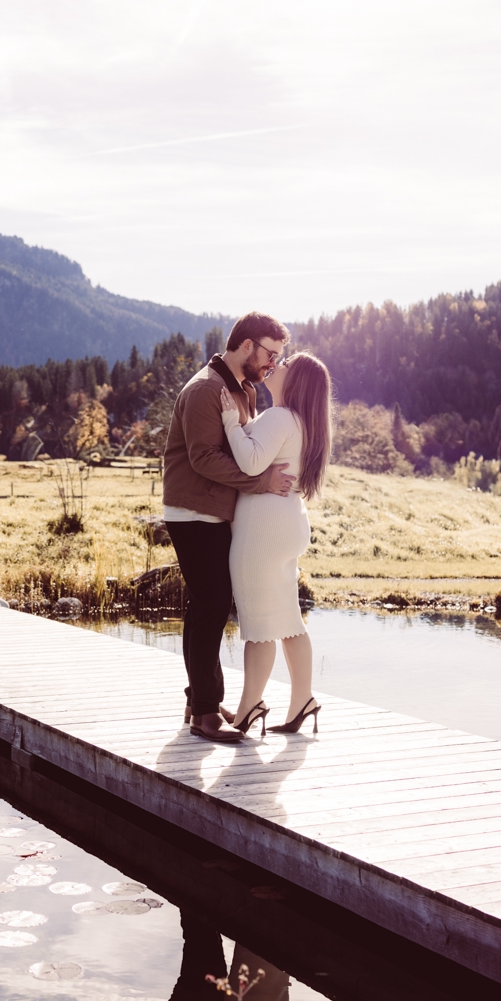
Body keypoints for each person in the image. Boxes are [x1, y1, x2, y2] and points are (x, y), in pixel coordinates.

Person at [162, 314, 294, 742]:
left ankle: (199, 699)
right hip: (195, 514)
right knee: (211, 606)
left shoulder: (240, 389)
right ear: (248, 345)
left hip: (212, 513)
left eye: (279, 357)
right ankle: (204, 714)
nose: (273, 364)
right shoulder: (206, 389)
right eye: (270, 354)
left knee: (207, 608)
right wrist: (263, 481)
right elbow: (204, 459)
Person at [219, 351, 333, 735]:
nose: (276, 366)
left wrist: (231, 423)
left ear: (295, 381)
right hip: (288, 525)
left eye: (284, 365)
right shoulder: (303, 423)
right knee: (287, 618)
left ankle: (248, 708)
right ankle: (303, 699)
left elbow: (250, 462)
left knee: (258, 623)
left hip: (262, 531)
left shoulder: (280, 417)